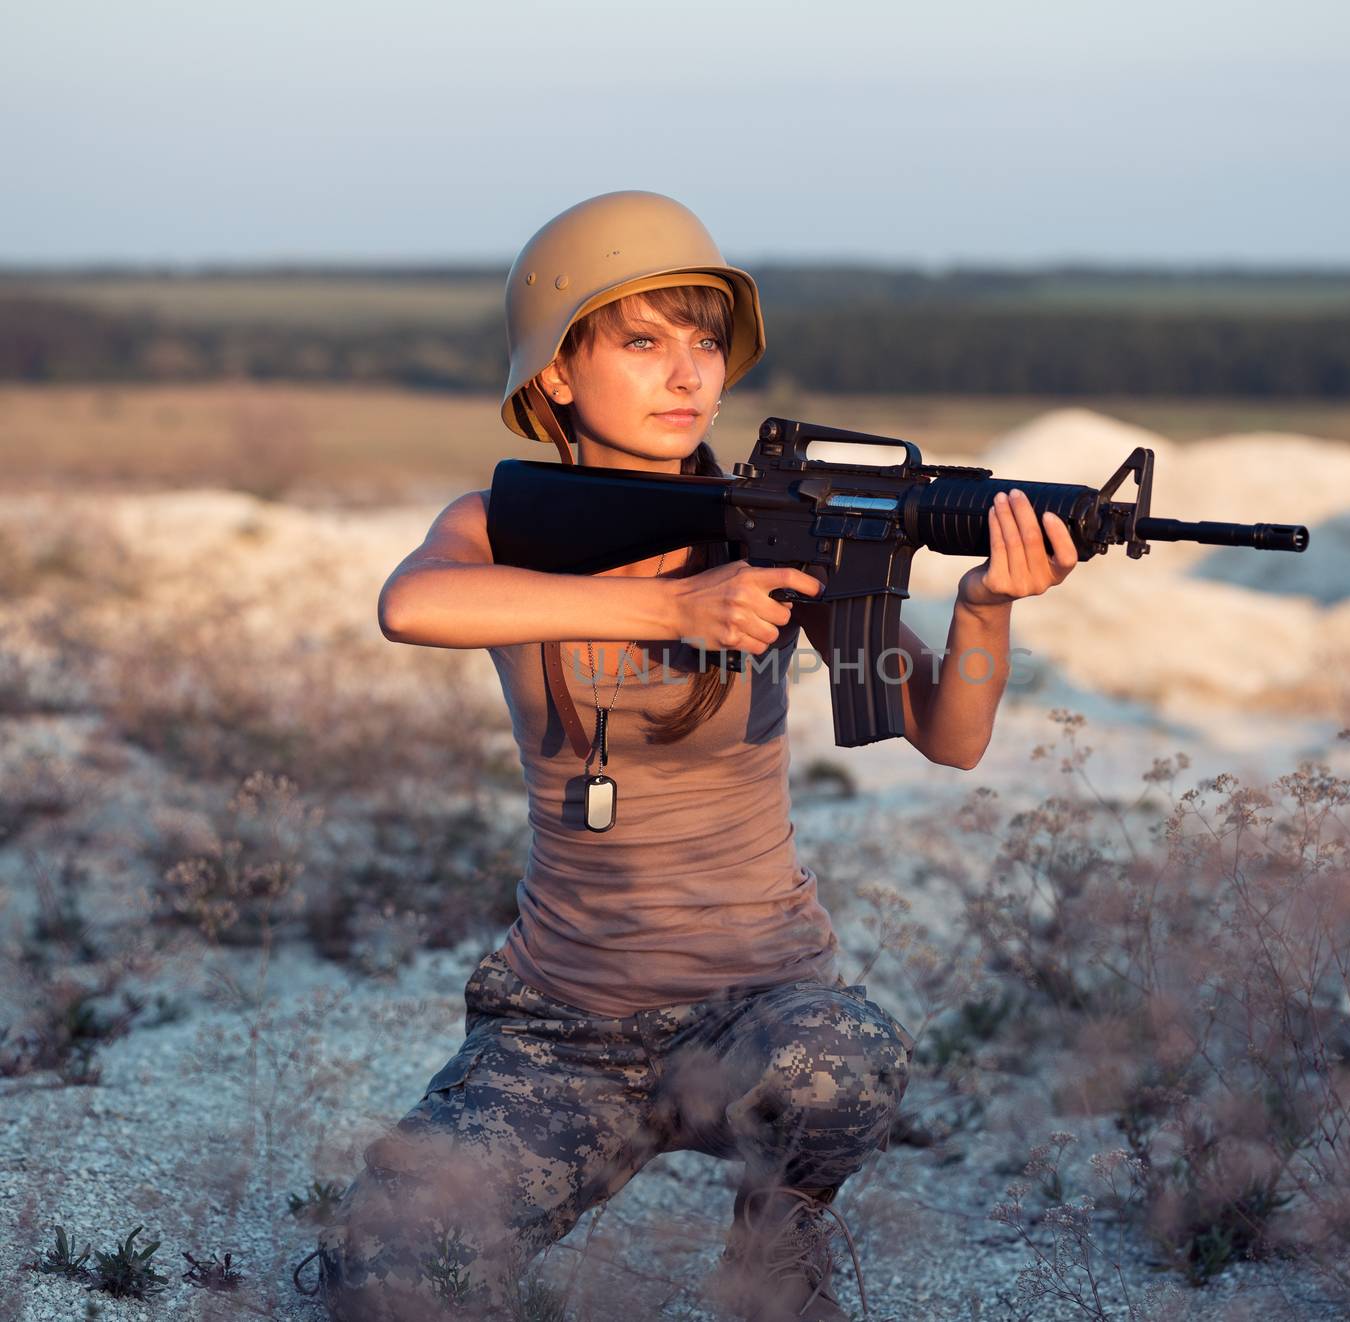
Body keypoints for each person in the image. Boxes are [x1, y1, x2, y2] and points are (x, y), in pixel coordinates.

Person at [294, 190, 1076, 1322]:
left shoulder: (779, 525)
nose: (687, 374)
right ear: (555, 372)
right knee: (389, 1279)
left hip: (757, 1012)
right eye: (643, 340)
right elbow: (411, 604)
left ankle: (772, 1260)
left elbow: (950, 737)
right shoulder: (504, 526)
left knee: (844, 1053)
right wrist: (680, 604)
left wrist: (988, 607)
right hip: (562, 1026)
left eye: (705, 342)